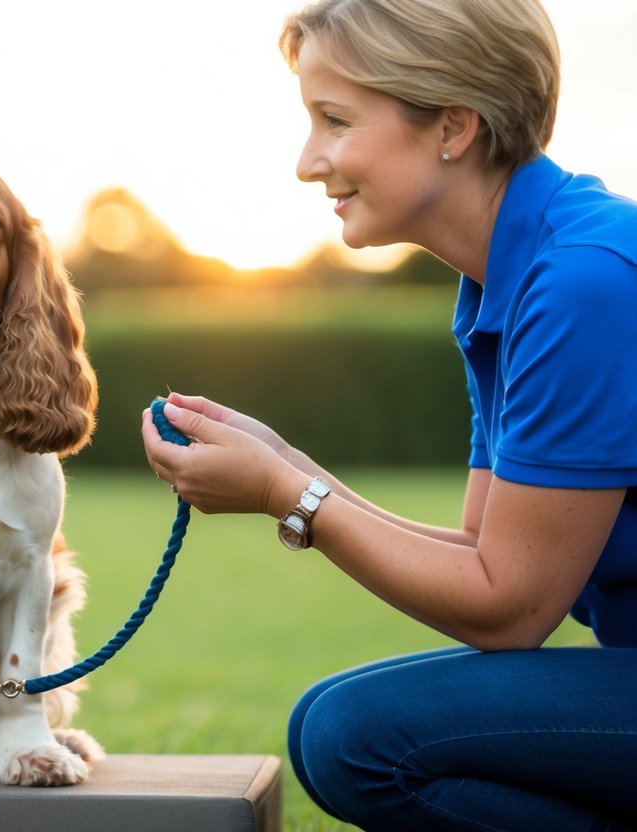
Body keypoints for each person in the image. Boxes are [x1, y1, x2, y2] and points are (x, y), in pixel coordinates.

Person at [141, 0, 637, 829]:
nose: (307, 162)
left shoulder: (584, 282)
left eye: (333, 120)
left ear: (452, 126)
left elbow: (508, 611)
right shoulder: (502, 283)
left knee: (354, 735)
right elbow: (487, 556)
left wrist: (282, 495)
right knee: (330, 719)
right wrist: (289, 466)